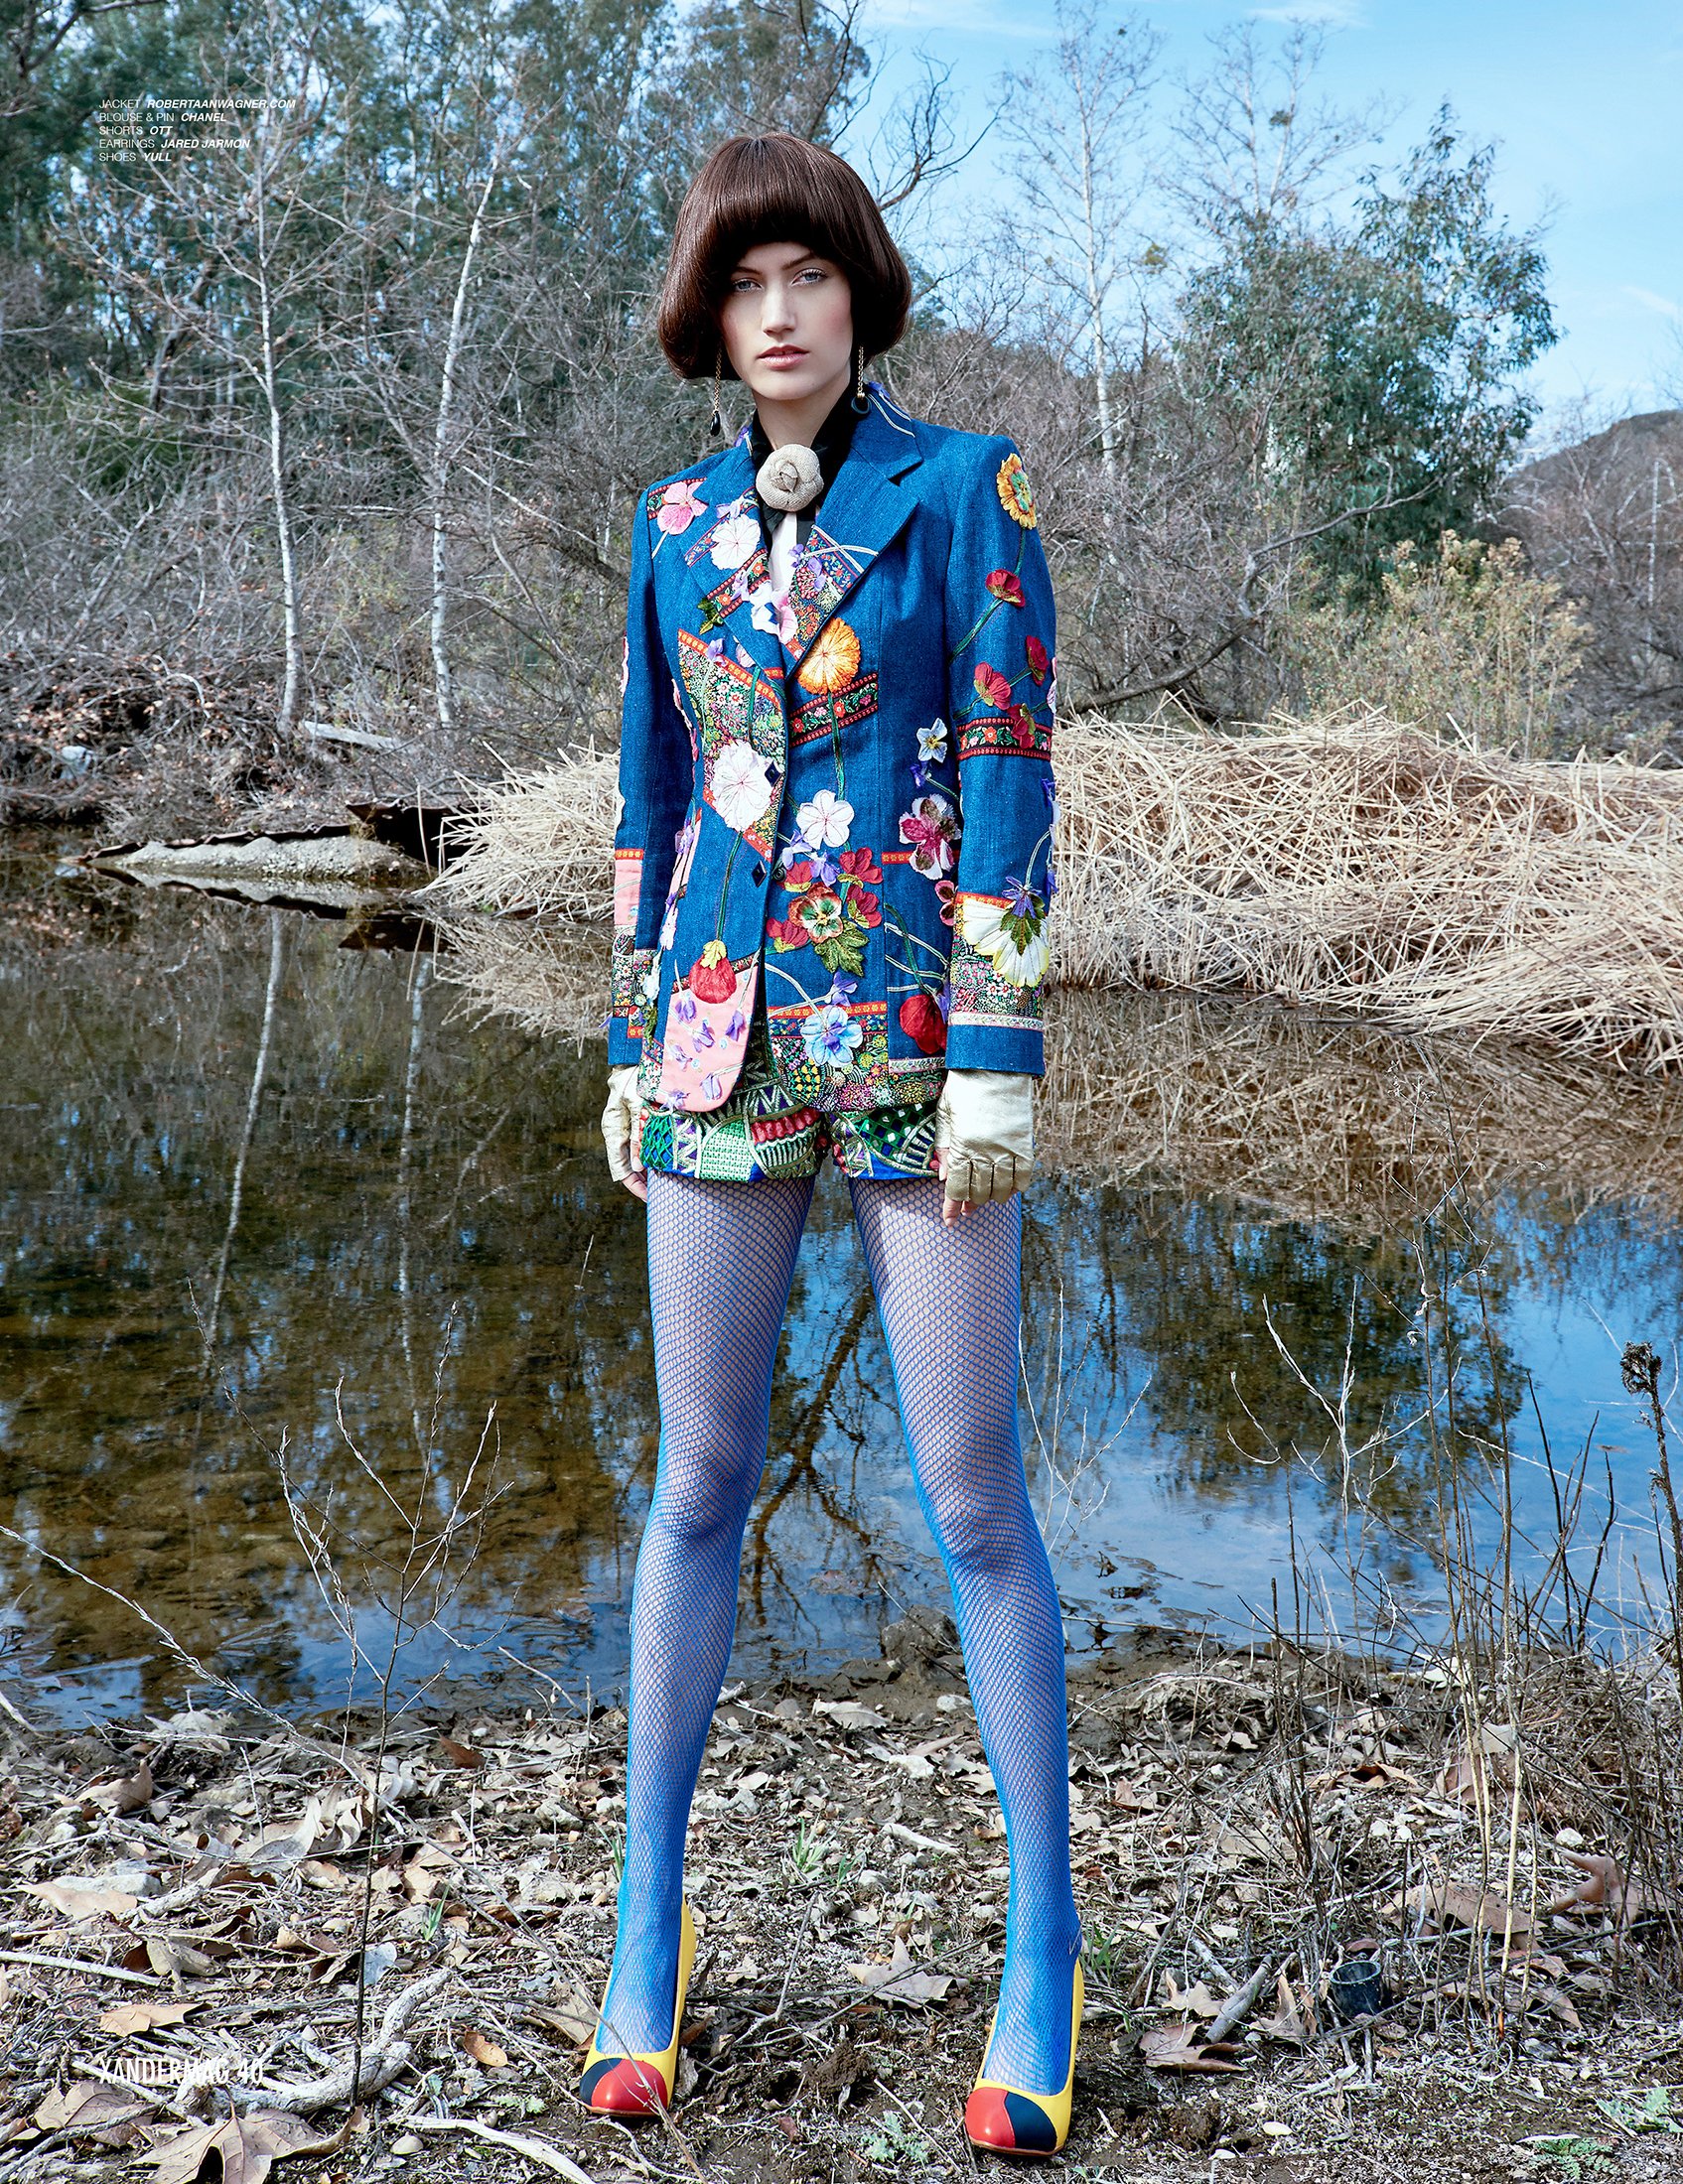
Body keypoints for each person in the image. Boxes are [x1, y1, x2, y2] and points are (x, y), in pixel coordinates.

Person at [592, 131, 1080, 2159]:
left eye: (807, 272)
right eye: (742, 280)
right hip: (716, 1055)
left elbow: (1011, 769)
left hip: (909, 1044)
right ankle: (647, 1925)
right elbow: (651, 807)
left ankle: (1042, 1946)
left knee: (972, 1496)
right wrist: (629, 1046)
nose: (777, 310)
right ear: (707, 318)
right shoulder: (672, 521)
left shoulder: (963, 492)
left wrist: (998, 1051)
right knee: (697, 1482)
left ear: (858, 294)